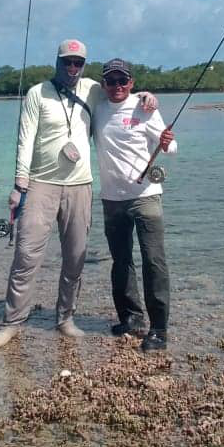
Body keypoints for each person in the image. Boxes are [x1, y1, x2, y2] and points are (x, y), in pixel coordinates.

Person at [0, 41, 157, 349]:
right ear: (57, 61)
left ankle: (65, 318)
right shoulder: (37, 93)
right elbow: (24, 141)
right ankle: (12, 321)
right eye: (67, 62)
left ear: (84, 65)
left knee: (75, 258)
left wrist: (146, 96)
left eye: (78, 62)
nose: (72, 68)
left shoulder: (93, 89)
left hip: (80, 185)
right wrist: (18, 185)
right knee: (26, 254)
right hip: (40, 183)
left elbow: (123, 95)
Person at [93, 58, 177, 352]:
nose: (117, 86)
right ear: (103, 84)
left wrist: (166, 142)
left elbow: (172, 147)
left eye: (122, 81)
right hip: (111, 200)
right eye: (111, 81)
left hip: (147, 196)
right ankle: (131, 318)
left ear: (131, 83)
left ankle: (159, 329)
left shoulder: (145, 107)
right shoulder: (97, 108)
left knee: (154, 260)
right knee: (121, 262)